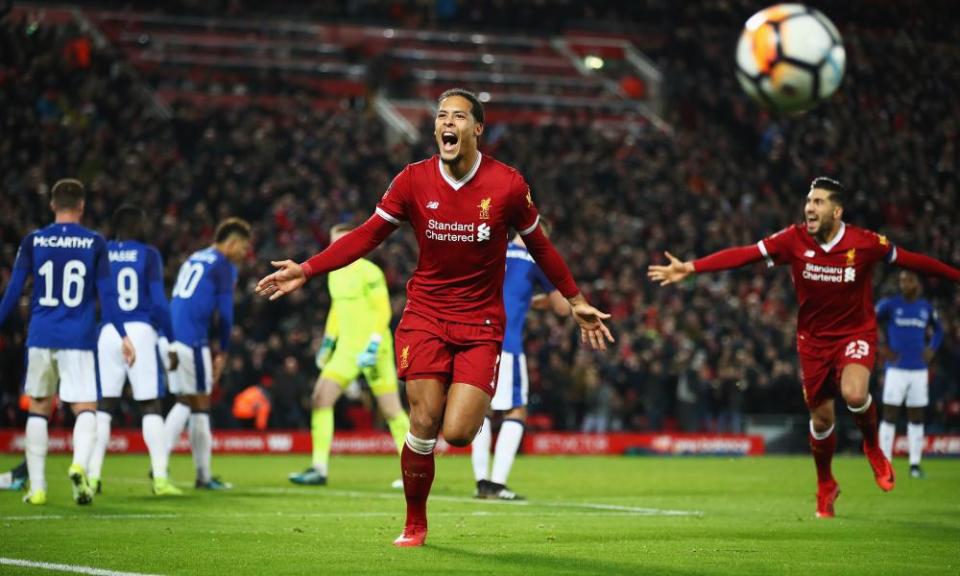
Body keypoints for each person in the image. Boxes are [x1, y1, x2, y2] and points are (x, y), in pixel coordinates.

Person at [256, 88, 613, 547]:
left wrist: (575, 297)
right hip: (425, 315)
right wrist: (307, 268)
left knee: (459, 434)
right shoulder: (412, 180)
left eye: (459, 116)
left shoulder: (507, 185)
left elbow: (540, 245)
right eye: (442, 116)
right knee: (423, 423)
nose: (448, 122)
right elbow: (367, 235)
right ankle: (415, 522)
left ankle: (470, 410)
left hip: (482, 322)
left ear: (477, 128)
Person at [648, 177, 960, 519]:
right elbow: (746, 255)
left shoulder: (865, 243)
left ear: (836, 211)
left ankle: (872, 446)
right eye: (809, 201)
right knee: (822, 418)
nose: (810, 207)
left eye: (819, 202)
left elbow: (912, 260)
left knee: (855, 394)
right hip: (812, 342)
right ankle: (826, 483)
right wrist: (692, 268)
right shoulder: (792, 239)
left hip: (854, 334)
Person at [0, 178, 136, 505]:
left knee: (39, 407)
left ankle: (38, 488)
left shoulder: (34, 241)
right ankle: (79, 466)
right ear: (82, 206)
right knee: (86, 407)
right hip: (78, 337)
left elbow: (13, 292)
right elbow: (108, 296)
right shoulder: (95, 242)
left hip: (41, 335)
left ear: (52, 205)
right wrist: (123, 334)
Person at [288, 223, 410, 487]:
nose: (337, 248)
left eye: (342, 243)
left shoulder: (370, 272)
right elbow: (337, 309)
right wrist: (328, 343)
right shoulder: (334, 273)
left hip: (374, 350)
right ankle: (319, 468)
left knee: (391, 410)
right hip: (346, 350)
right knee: (320, 398)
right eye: (334, 243)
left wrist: (375, 343)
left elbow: (383, 311)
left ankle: (413, 470)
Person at [88, 205, 182, 496]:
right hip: (139, 331)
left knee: (104, 407)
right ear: (138, 225)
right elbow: (158, 302)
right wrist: (171, 339)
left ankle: (92, 477)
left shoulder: (102, 253)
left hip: (108, 332)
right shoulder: (148, 253)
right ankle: (160, 479)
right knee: (150, 405)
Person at [472, 222, 569, 500]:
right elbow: (563, 307)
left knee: (483, 411)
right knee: (516, 410)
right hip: (507, 345)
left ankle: (481, 481)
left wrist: (530, 300)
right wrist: (549, 298)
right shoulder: (536, 258)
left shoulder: (493, 251)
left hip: (477, 341)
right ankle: (498, 483)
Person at [164, 217, 251, 490]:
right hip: (193, 340)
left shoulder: (195, 258)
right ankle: (192, 473)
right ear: (233, 243)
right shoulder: (223, 265)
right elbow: (225, 314)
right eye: (244, 248)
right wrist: (222, 351)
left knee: (188, 401)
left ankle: (167, 467)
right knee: (197, 403)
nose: (244, 254)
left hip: (172, 336)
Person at [875, 270, 943, 479]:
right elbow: (869, 321)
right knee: (889, 414)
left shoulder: (925, 308)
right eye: (901, 280)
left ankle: (915, 464)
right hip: (896, 369)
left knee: (916, 417)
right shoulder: (890, 305)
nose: (904, 284)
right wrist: (880, 347)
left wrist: (932, 348)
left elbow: (938, 330)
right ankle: (884, 464)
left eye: (908, 280)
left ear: (917, 283)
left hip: (919, 371)